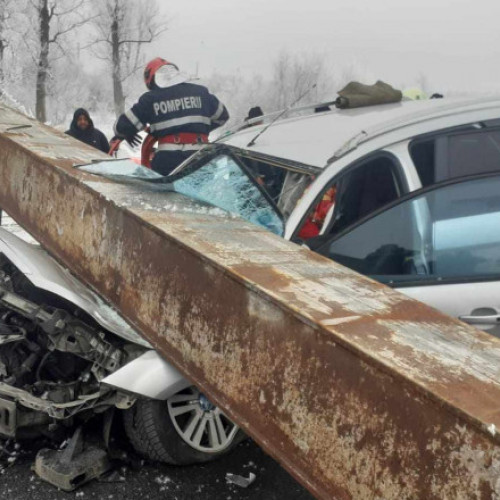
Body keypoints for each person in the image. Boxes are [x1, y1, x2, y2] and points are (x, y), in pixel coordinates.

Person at [114, 58, 229, 176]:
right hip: (202, 156)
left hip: (169, 160)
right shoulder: (202, 92)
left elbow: (121, 127)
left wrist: (127, 133)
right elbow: (222, 116)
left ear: (151, 79)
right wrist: (199, 129)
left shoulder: (151, 99)